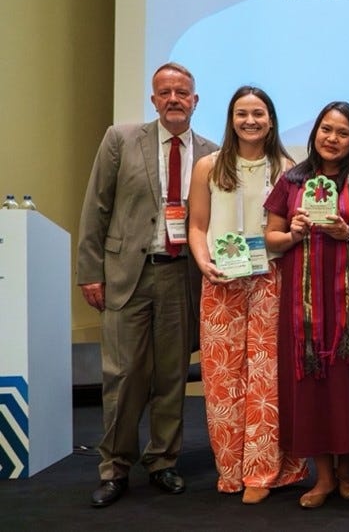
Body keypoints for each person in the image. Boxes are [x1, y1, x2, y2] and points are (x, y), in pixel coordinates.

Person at [77, 62, 218, 507]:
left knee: (172, 376)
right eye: (165, 92)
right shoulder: (120, 139)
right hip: (126, 276)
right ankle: (114, 467)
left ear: (196, 100)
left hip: (182, 276)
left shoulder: (212, 153)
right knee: (122, 375)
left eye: (182, 92)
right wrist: (90, 271)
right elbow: (96, 206)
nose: (174, 99)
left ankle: (162, 461)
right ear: (153, 100)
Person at [187, 86, 307, 503]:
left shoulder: (287, 169)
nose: (250, 120)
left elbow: (289, 230)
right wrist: (203, 262)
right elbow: (198, 226)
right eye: (242, 113)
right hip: (220, 280)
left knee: (265, 376)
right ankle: (231, 469)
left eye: (258, 113)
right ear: (231, 118)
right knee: (222, 379)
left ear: (271, 120)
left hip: (270, 276)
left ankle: (262, 470)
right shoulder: (207, 166)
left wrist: (293, 236)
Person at [264, 101, 349, 508]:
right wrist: (292, 233)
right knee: (311, 384)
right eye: (326, 130)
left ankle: (348, 473)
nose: (332, 139)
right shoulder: (292, 181)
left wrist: (348, 233)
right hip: (303, 308)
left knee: (348, 384)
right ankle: (324, 477)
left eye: (343, 133)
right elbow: (271, 240)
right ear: (314, 133)